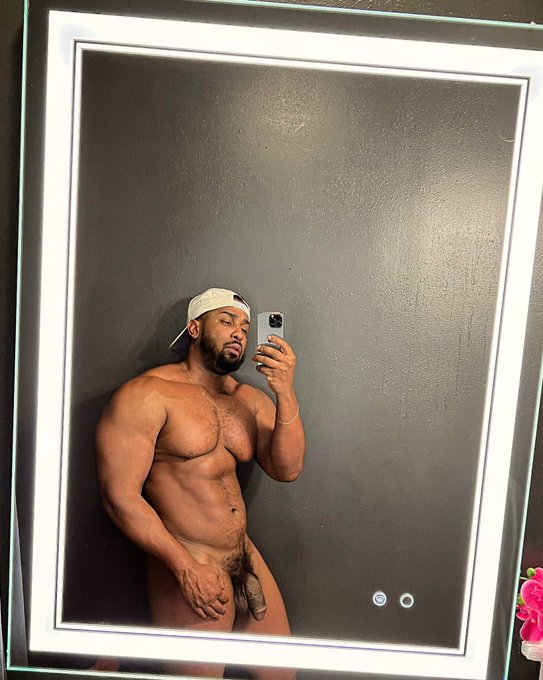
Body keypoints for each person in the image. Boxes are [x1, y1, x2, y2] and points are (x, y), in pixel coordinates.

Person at [96, 288, 305, 679]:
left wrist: (285, 392)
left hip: (245, 558)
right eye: (226, 321)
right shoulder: (148, 394)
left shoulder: (248, 400)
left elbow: (288, 469)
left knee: (284, 676)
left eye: (245, 326)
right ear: (194, 329)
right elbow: (119, 496)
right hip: (189, 559)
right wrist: (184, 568)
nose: (239, 332)